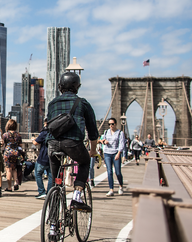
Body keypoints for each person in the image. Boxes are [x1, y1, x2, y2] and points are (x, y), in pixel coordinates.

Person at [45, 72, 99, 212]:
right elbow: (93, 131)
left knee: (54, 177)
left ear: (59, 87)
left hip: (52, 144)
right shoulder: (82, 103)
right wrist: (92, 150)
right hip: (73, 144)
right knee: (85, 162)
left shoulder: (52, 104)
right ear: (78, 87)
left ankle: (52, 220)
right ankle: (76, 197)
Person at [101, 118, 126, 196]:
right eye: (109, 124)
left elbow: (121, 144)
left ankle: (121, 186)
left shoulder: (120, 133)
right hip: (107, 153)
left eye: (112, 124)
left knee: (118, 172)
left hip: (115, 153)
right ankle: (111, 189)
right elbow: (102, 140)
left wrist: (119, 154)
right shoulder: (106, 132)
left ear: (115, 124)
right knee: (109, 172)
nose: (110, 126)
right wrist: (104, 141)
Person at [32, 119, 53, 199]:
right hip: (52, 158)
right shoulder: (55, 133)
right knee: (51, 176)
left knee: (37, 174)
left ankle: (41, 191)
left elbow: (35, 142)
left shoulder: (44, 132)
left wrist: (33, 139)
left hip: (43, 157)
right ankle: (50, 192)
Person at [2, 119, 23, 191]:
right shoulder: (18, 135)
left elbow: (2, 144)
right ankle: (15, 183)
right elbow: (20, 145)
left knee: (8, 170)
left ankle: (9, 187)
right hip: (16, 153)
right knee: (14, 169)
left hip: (8, 153)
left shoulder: (5, 135)